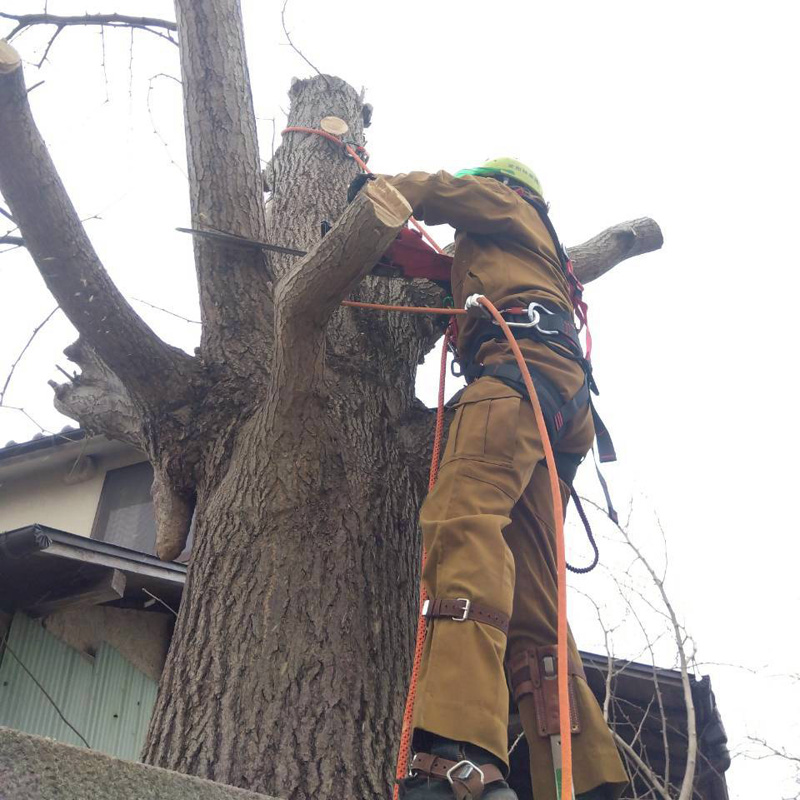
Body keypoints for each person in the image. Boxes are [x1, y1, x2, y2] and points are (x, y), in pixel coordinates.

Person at [377, 160, 629, 800]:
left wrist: (375, 195)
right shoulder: (534, 257)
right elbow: (448, 267)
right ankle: (583, 778)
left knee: (464, 526)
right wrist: (407, 258)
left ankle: (454, 757)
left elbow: (436, 189)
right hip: (562, 403)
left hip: (515, 377)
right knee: (536, 597)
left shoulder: (505, 203)